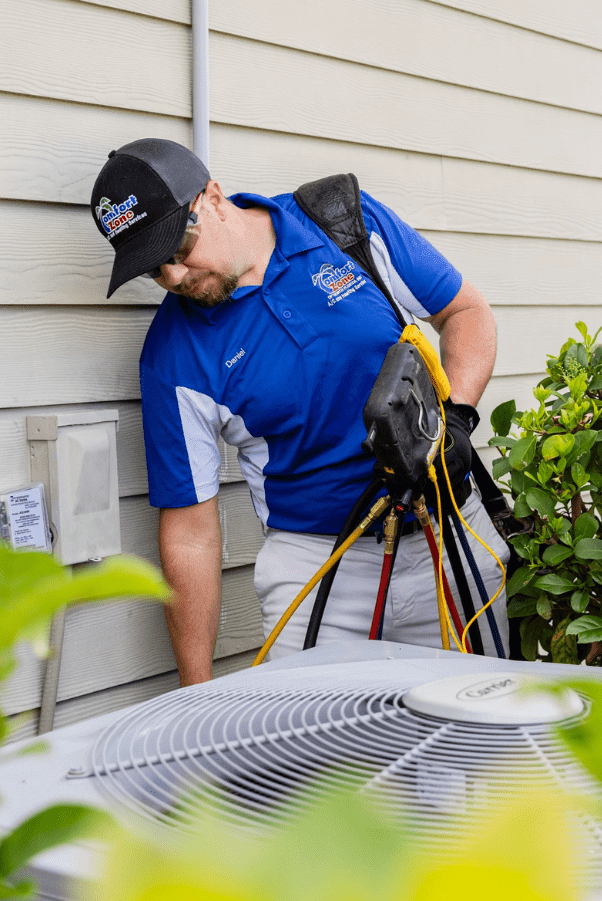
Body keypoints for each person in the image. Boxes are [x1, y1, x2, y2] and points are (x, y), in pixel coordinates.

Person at [90, 138, 510, 684]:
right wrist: (193, 693)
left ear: (213, 197)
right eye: (154, 269)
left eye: (178, 247)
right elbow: (191, 532)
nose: (173, 277)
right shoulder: (173, 356)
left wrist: (455, 419)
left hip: (447, 535)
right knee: (310, 761)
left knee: (481, 742)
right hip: (318, 568)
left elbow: (467, 314)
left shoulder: (342, 223)